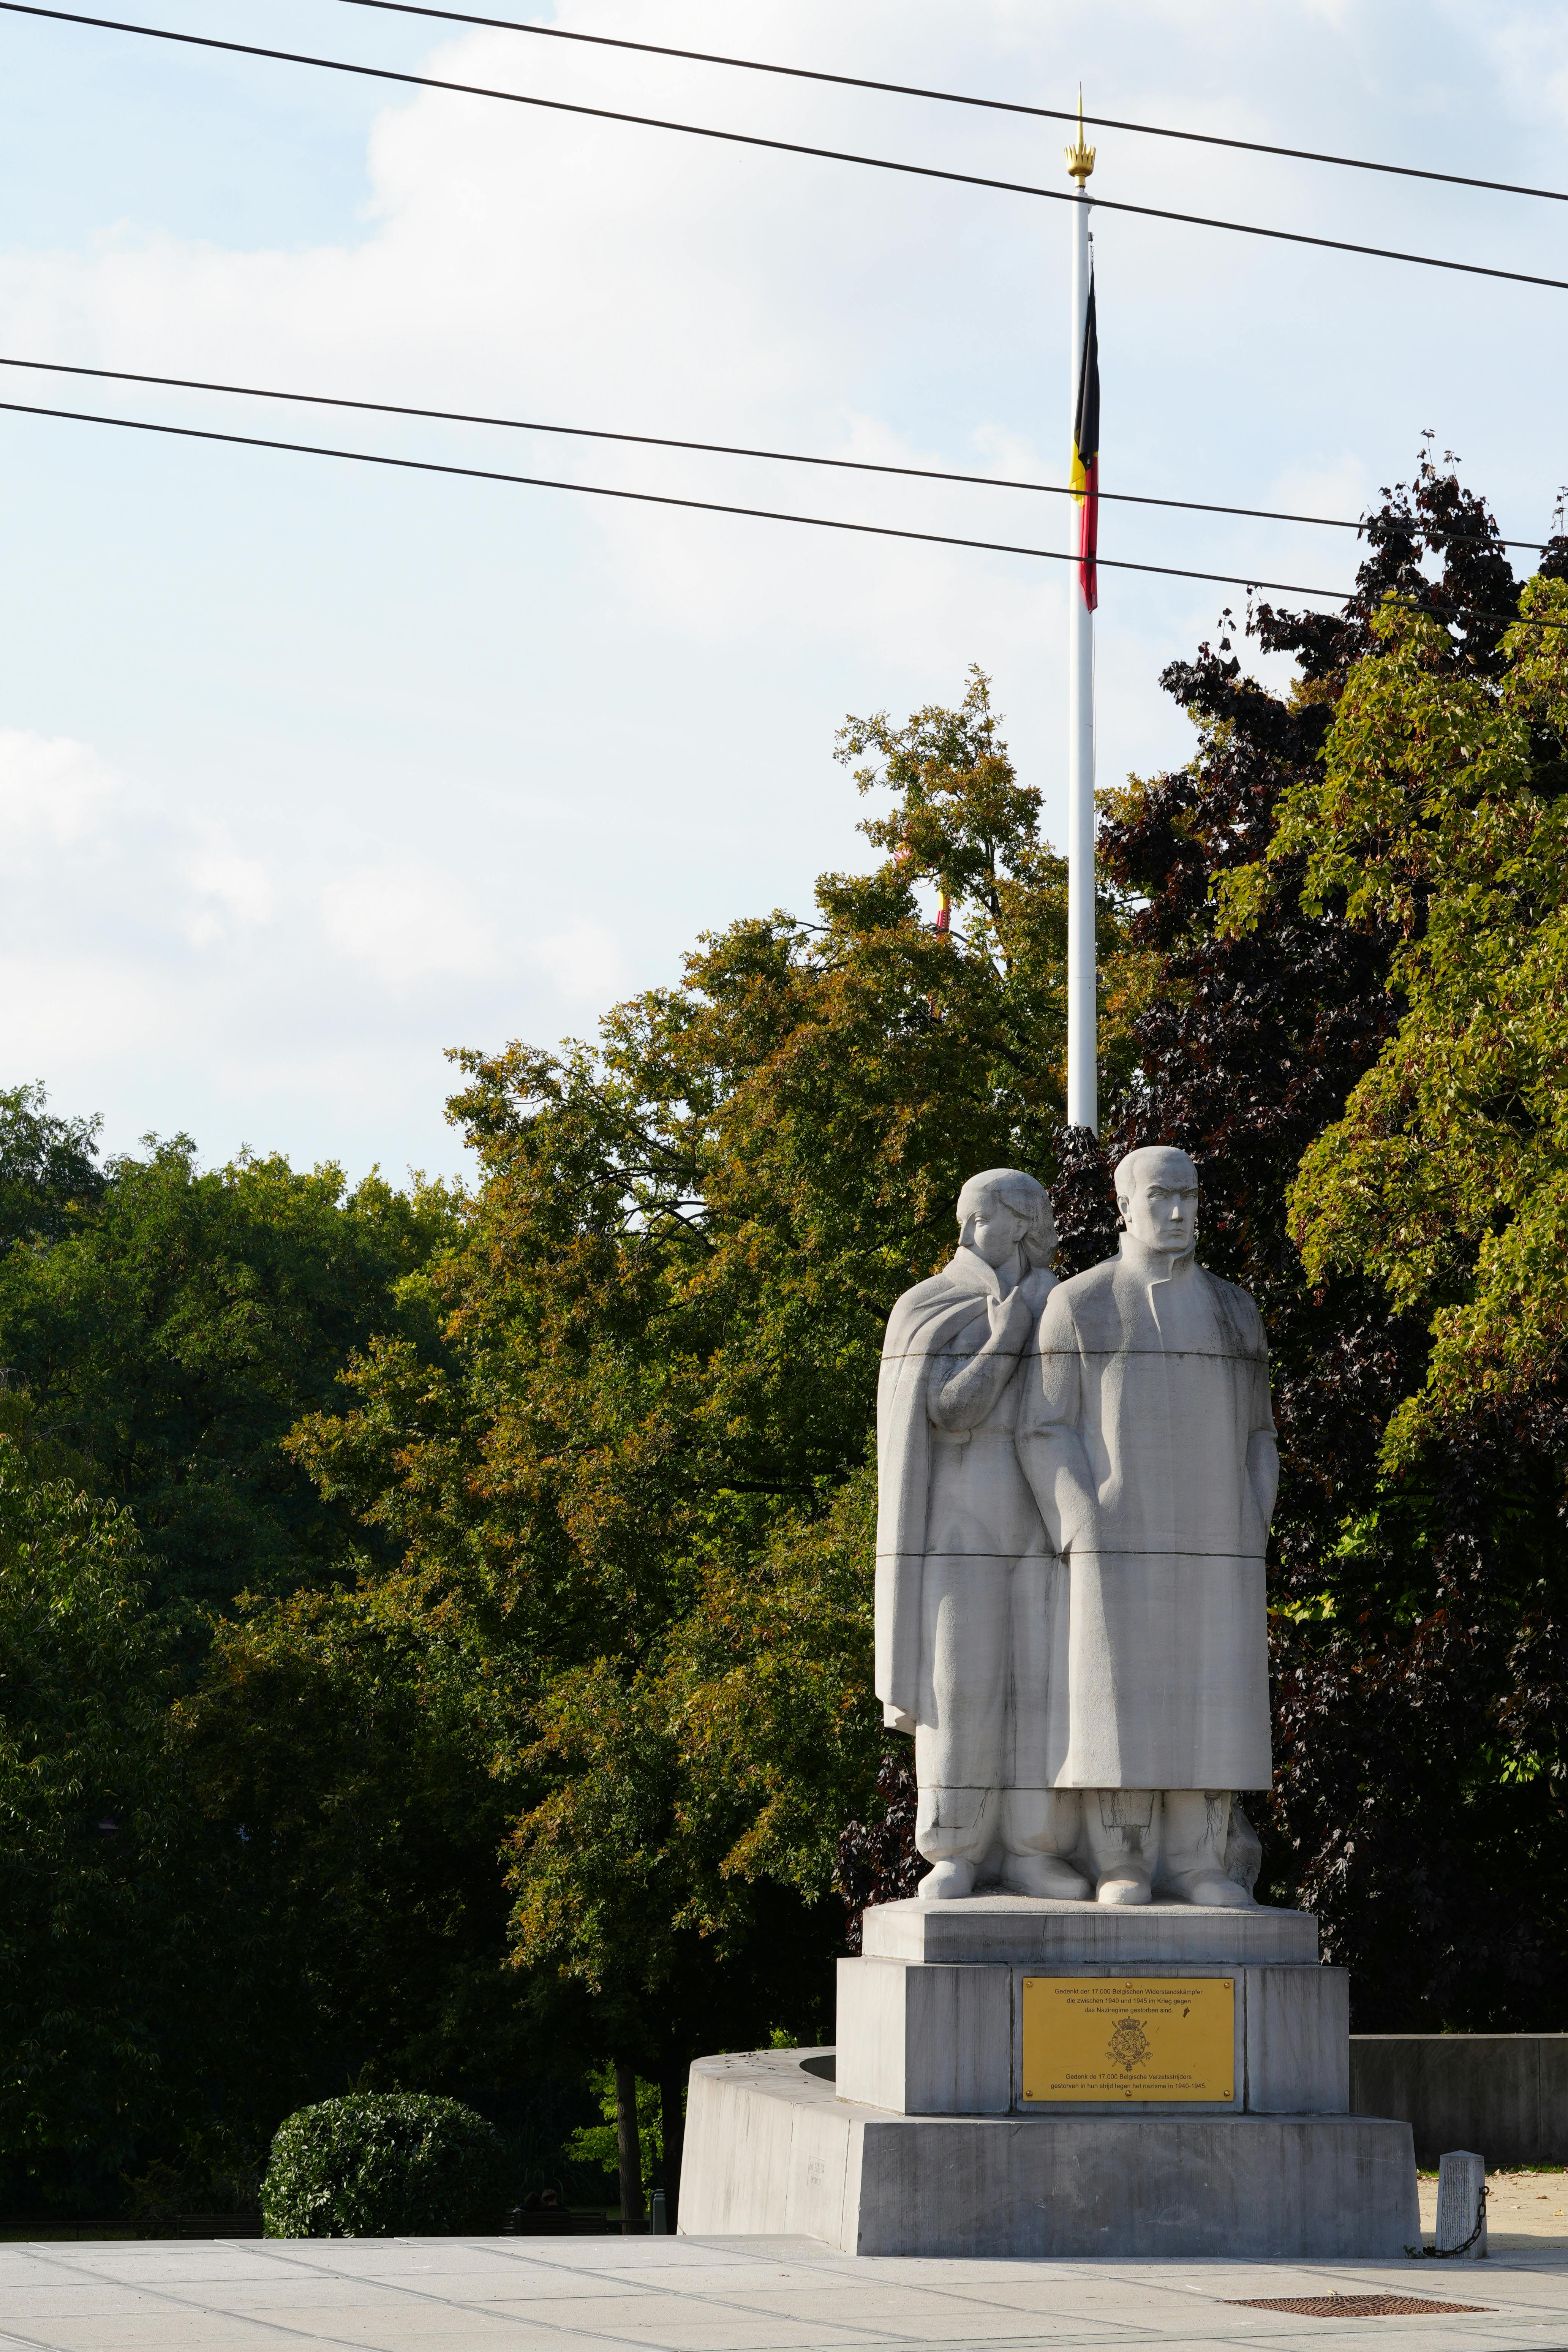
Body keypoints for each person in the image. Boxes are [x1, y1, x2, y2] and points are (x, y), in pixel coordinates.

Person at [1013, 1144, 1277, 1906]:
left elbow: (1261, 1433)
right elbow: (1046, 1429)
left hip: (1218, 1532)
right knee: (1117, 1696)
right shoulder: (1084, 1303)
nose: (1178, 1212)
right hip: (1116, 1531)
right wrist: (1080, 1523)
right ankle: (1123, 1861)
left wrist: (1254, 1513)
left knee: (1211, 1692)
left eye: (1189, 1198)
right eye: (1161, 1197)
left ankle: (1199, 1863)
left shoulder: (1234, 1310)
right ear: (1124, 1206)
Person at [875, 1168, 1088, 1900]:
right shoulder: (930, 1305)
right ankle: (957, 1850)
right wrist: (1007, 1339)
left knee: (1043, 1688)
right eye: (971, 1221)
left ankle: (1035, 1847)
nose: (970, 1234)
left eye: (984, 1218)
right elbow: (948, 1412)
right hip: (958, 1528)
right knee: (959, 1688)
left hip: (1039, 1523)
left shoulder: (1065, 1302)